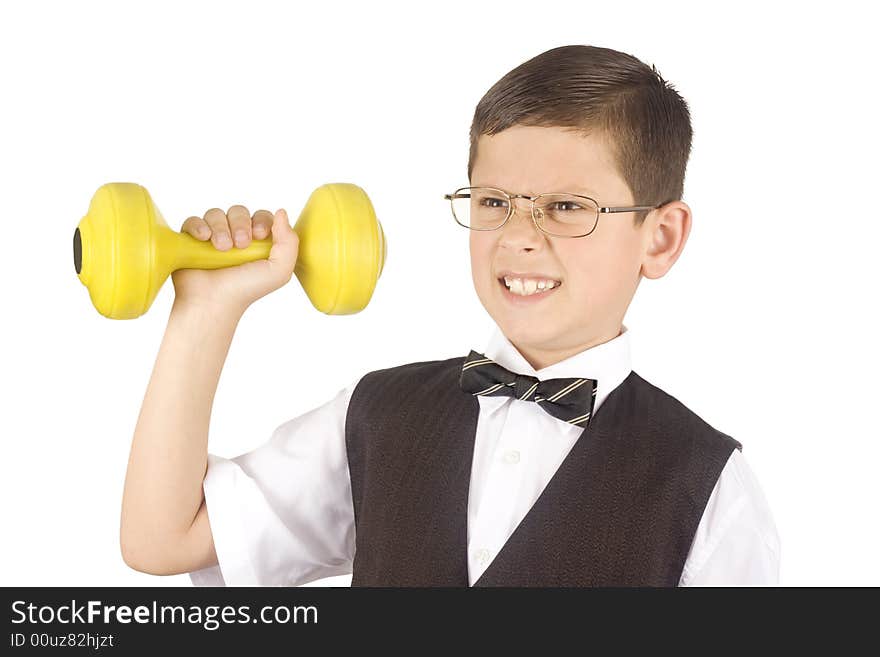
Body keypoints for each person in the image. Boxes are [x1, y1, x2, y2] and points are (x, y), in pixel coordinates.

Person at [120, 44, 780, 586]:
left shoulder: (710, 487)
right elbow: (161, 537)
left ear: (659, 238)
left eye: (568, 207)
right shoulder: (378, 414)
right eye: (494, 201)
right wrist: (204, 314)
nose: (520, 235)